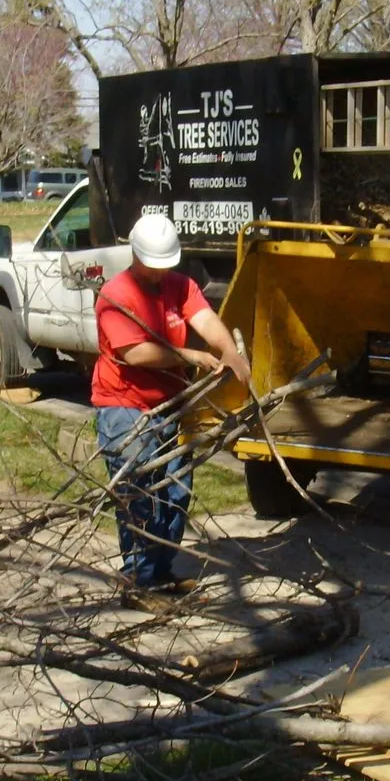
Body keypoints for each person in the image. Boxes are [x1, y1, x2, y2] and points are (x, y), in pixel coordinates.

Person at [92, 213, 250, 599]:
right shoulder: (115, 296)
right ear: (136, 254)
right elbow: (136, 353)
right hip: (125, 408)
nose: (161, 272)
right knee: (139, 495)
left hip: (170, 405)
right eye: (154, 264)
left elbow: (206, 319)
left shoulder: (180, 286)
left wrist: (229, 351)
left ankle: (161, 572)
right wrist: (189, 354)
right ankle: (138, 581)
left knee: (176, 491)